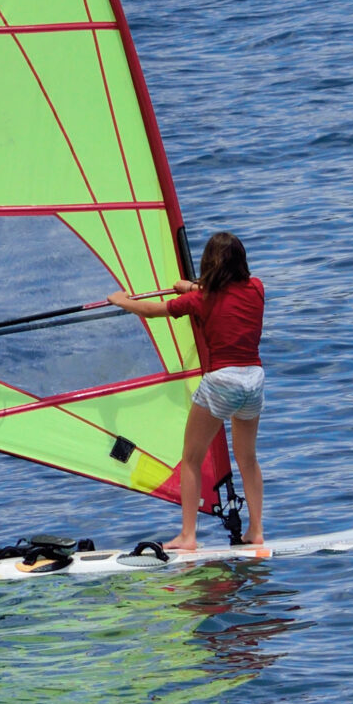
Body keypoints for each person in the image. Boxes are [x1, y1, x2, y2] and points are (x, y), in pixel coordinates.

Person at [108, 232, 266, 552]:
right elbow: (225, 294)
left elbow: (154, 311)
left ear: (209, 264)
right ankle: (256, 530)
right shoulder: (257, 288)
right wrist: (193, 287)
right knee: (247, 458)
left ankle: (188, 536)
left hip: (222, 381)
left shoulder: (200, 300)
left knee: (191, 458)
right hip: (254, 379)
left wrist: (124, 301)